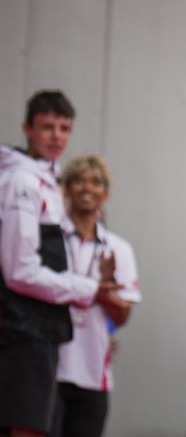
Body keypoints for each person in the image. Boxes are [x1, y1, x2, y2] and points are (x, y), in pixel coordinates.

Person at [0, 92, 124, 437]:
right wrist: (91, 289)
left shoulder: (45, 182)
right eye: (47, 127)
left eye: (64, 128)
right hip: (22, 332)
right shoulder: (23, 180)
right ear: (28, 128)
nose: (56, 137)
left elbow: (120, 314)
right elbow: (20, 271)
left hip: (41, 332)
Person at [52, 155, 141, 437]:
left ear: (106, 194)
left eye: (96, 182)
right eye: (79, 180)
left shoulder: (118, 249)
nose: (87, 188)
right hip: (48, 367)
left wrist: (106, 285)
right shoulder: (49, 238)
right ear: (66, 189)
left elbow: (123, 316)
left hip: (93, 375)